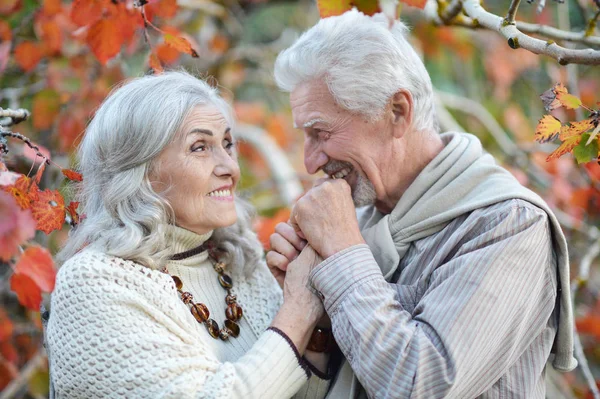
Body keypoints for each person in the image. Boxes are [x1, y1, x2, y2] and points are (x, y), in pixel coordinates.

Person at [267, 9, 578, 398]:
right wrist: (311, 314)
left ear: (398, 112)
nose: (310, 162)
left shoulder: (508, 225)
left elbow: (420, 384)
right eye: (305, 136)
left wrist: (344, 256)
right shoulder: (356, 219)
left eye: (321, 132)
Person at [45, 71, 333, 398]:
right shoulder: (94, 284)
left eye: (227, 144)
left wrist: (317, 323)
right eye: (200, 147)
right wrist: (298, 312)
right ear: (141, 171)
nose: (229, 167)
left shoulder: (237, 258)